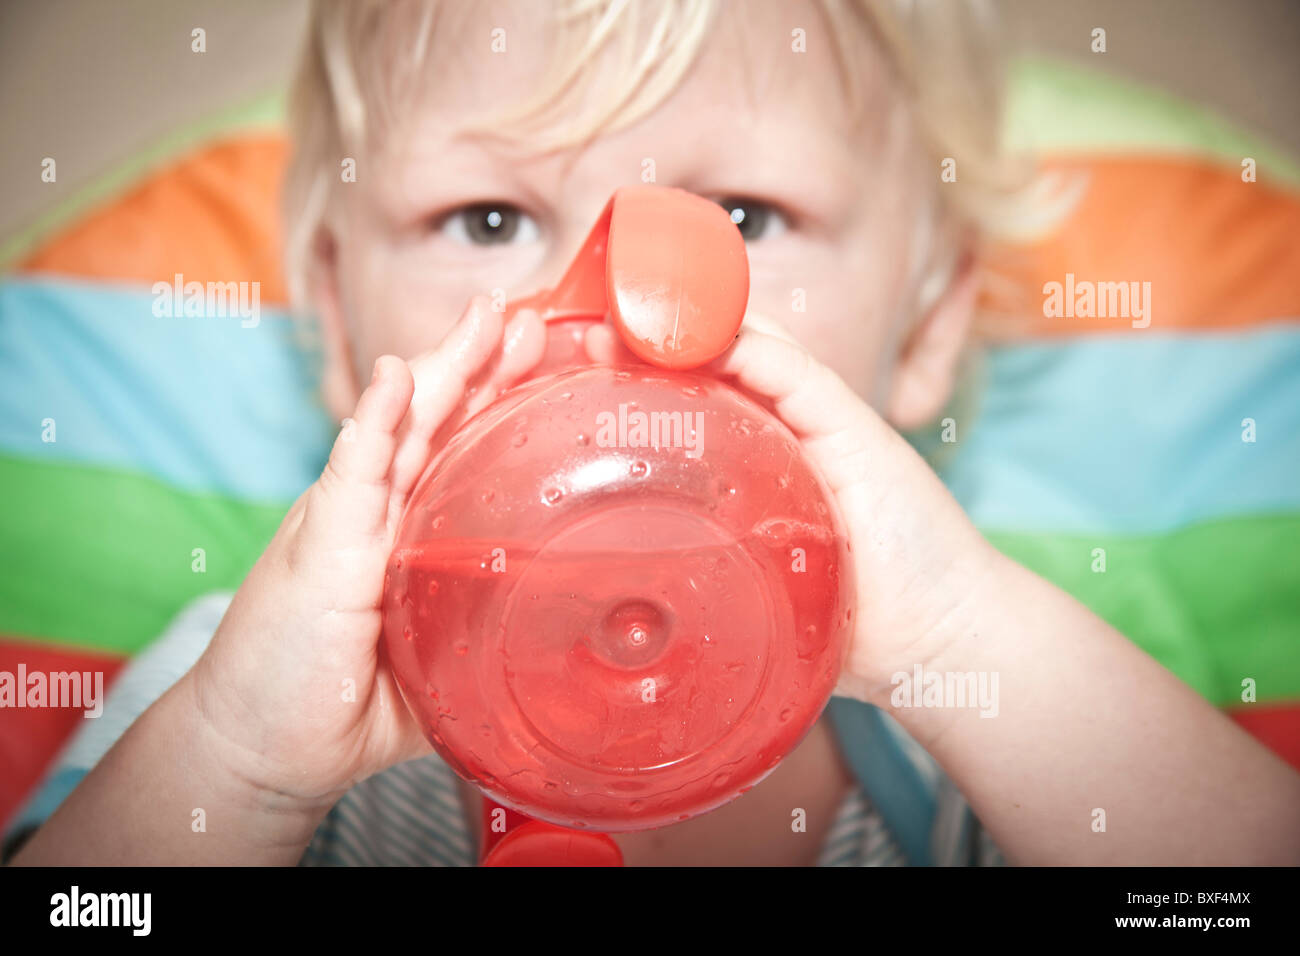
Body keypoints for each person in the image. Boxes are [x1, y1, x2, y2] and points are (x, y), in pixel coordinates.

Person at [10, 0, 1299, 866]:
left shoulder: (989, 711)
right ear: (342, 336)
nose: (615, 310)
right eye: (490, 221)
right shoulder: (249, 684)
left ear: (924, 333)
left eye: (738, 215)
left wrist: (966, 637)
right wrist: (239, 766)